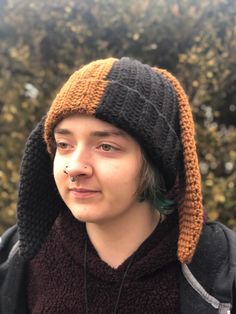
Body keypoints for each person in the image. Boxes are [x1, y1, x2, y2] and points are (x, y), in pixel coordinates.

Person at [0, 57, 235, 314]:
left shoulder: (220, 266)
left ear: (154, 161)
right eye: (64, 145)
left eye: (106, 146)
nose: (75, 167)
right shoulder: (18, 257)